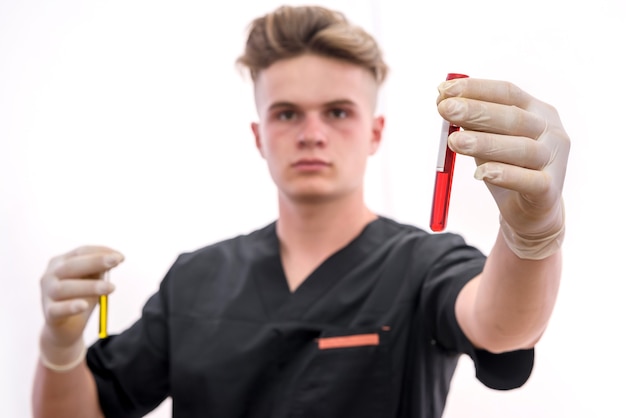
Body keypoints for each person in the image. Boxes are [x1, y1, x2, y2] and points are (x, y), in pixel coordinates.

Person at [31, 5, 570, 418]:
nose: (312, 134)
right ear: (259, 135)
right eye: (287, 113)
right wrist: (58, 345)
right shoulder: (193, 280)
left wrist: (533, 240)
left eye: (337, 111)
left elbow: (501, 326)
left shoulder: (423, 265)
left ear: (374, 133)